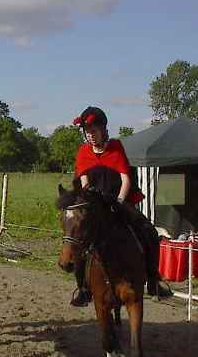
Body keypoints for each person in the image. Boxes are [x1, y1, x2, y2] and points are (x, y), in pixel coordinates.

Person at [70, 106, 170, 306]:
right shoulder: (83, 152)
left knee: (148, 231)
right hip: (95, 206)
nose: (90, 135)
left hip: (118, 201)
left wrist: (119, 202)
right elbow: (84, 182)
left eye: (94, 131)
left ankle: (154, 279)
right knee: (78, 238)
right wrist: (89, 203)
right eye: (87, 132)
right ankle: (82, 288)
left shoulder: (116, 147)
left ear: (103, 130)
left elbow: (126, 180)